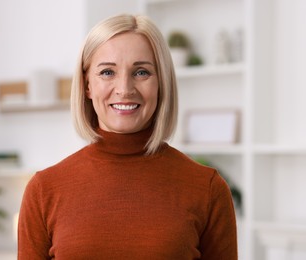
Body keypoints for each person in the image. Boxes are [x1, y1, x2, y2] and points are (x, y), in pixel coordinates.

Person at [18, 14, 238, 259]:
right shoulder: (43, 191)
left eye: (141, 72)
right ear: (87, 85)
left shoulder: (207, 189)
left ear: (161, 83)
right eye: (107, 72)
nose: (124, 89)